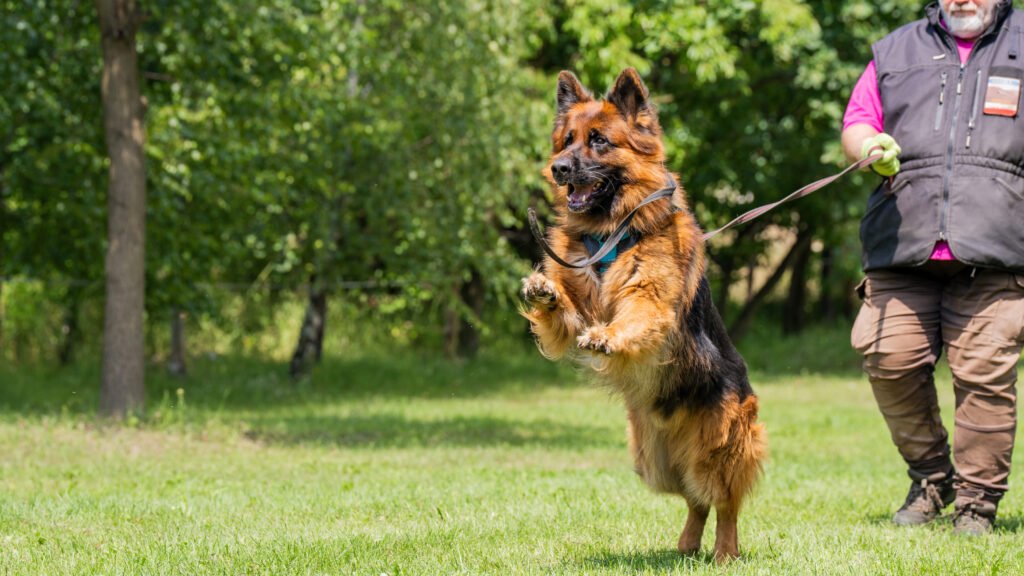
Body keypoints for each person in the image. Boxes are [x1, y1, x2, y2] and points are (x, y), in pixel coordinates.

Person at [842, 0, 1024, 536]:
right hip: (902, 244)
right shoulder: (896, 49)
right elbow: (857, 121)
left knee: (984, 376)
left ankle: (976, 504)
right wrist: (868, 146)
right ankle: (931, 479)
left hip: (997, 249)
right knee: (888, 357)